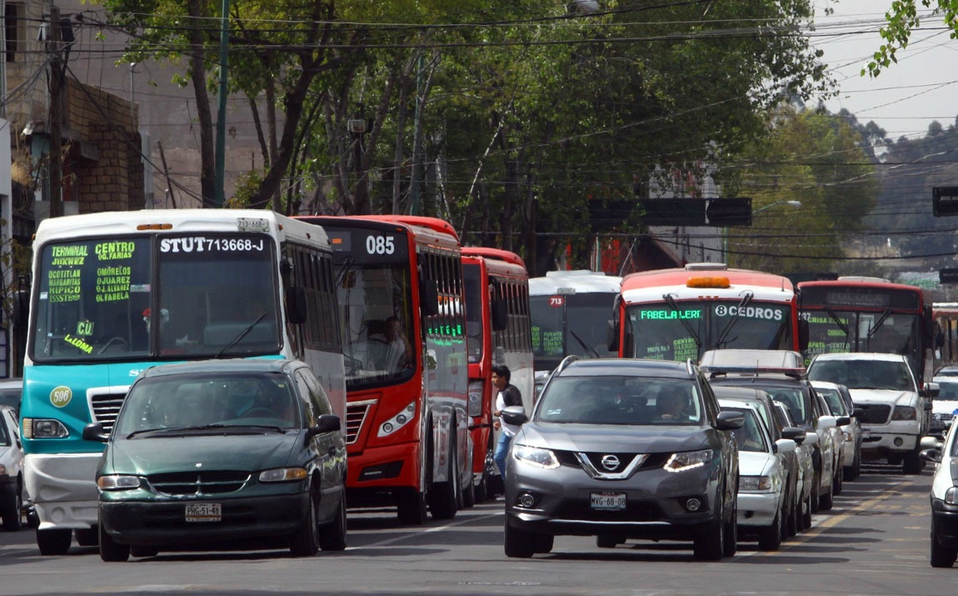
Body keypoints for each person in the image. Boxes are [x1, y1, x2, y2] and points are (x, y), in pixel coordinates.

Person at [492, 364, 524, 478]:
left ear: (504, 378)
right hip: (506, 433)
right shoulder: (499, 393)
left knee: (517, 460)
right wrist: (499, 422)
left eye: (495, 377)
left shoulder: (511, 391)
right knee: (498, 457)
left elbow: (518, 409)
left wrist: (501, 413)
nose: (493, 380)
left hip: (516, 433)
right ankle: (506, 481)